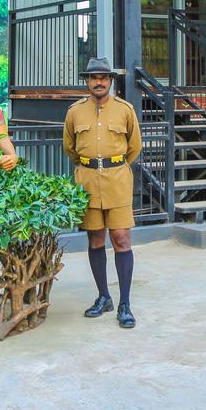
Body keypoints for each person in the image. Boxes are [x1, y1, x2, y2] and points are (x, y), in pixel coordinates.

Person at [62, 57, 142, 328]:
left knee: (121, 238)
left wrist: (114, 167)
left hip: (117, 180)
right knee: (95, 238)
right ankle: (103, 297)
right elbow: (70, 148)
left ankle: (125, 304)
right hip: (87, 181)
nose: (99, 82)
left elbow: (134, 147)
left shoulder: (125, 109)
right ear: (87, 81)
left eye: (104, 78)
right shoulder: (74, 112)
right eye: (94, 78)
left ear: (110, 81)